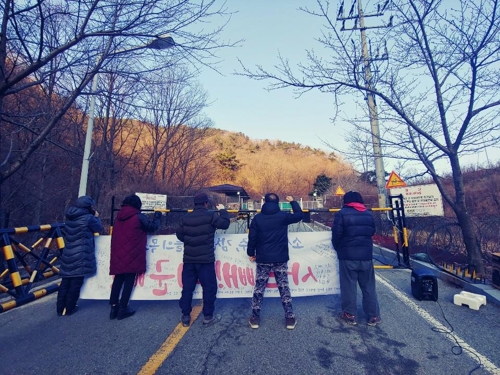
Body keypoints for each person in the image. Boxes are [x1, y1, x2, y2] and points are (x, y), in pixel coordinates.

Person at [246, 193, 303, 330]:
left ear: (264, 202)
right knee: (284, 288)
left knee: (259, 288)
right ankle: (289, 318)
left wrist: (251, 253)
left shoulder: (257, 218)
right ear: (278, 203)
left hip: (263, 258)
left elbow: (252, 238)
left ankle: (255, 318)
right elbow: (299, 215)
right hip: (280, 258)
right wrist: (293, 202)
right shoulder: (283, 216)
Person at [176, 193, 230, 327]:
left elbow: (179, 234)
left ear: (195, 204)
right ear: (206, 203)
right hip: (206, 260)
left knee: (188, 288)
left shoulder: (185, 218)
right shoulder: (211, 216)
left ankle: (186, 316)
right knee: (209, 287)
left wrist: (189, 240)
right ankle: (207, 315)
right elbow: (225, 224)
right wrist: (223, 210)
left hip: (189, 260)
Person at [331, 191, 381, 326]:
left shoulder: (342, 213)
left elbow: (336, 234)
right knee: (369, 286)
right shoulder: (368, 213)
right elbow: (372, 231)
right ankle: (373, 315)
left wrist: (338, 248)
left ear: (345, 200)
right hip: (366, 255)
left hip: (347, 255)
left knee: (348, 286)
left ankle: (350, 314)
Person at [109, 194, 161, 320]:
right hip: (132, 253)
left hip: (118, 252)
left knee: (118, 279)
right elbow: (152, 227)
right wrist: (158, 216)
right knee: (129, 280)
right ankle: (123, 308)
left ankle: (113, 308)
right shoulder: (138, 216)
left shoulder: (118, 216)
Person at [57, 195, 103, 316]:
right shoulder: (88, 218)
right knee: (76, 283)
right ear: (88, 207)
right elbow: (99, 228)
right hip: (81, 252)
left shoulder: (69, 216)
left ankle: (60, 308)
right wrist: (96, 217)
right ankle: (70, 308)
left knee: (65, 281)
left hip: (68, 252)